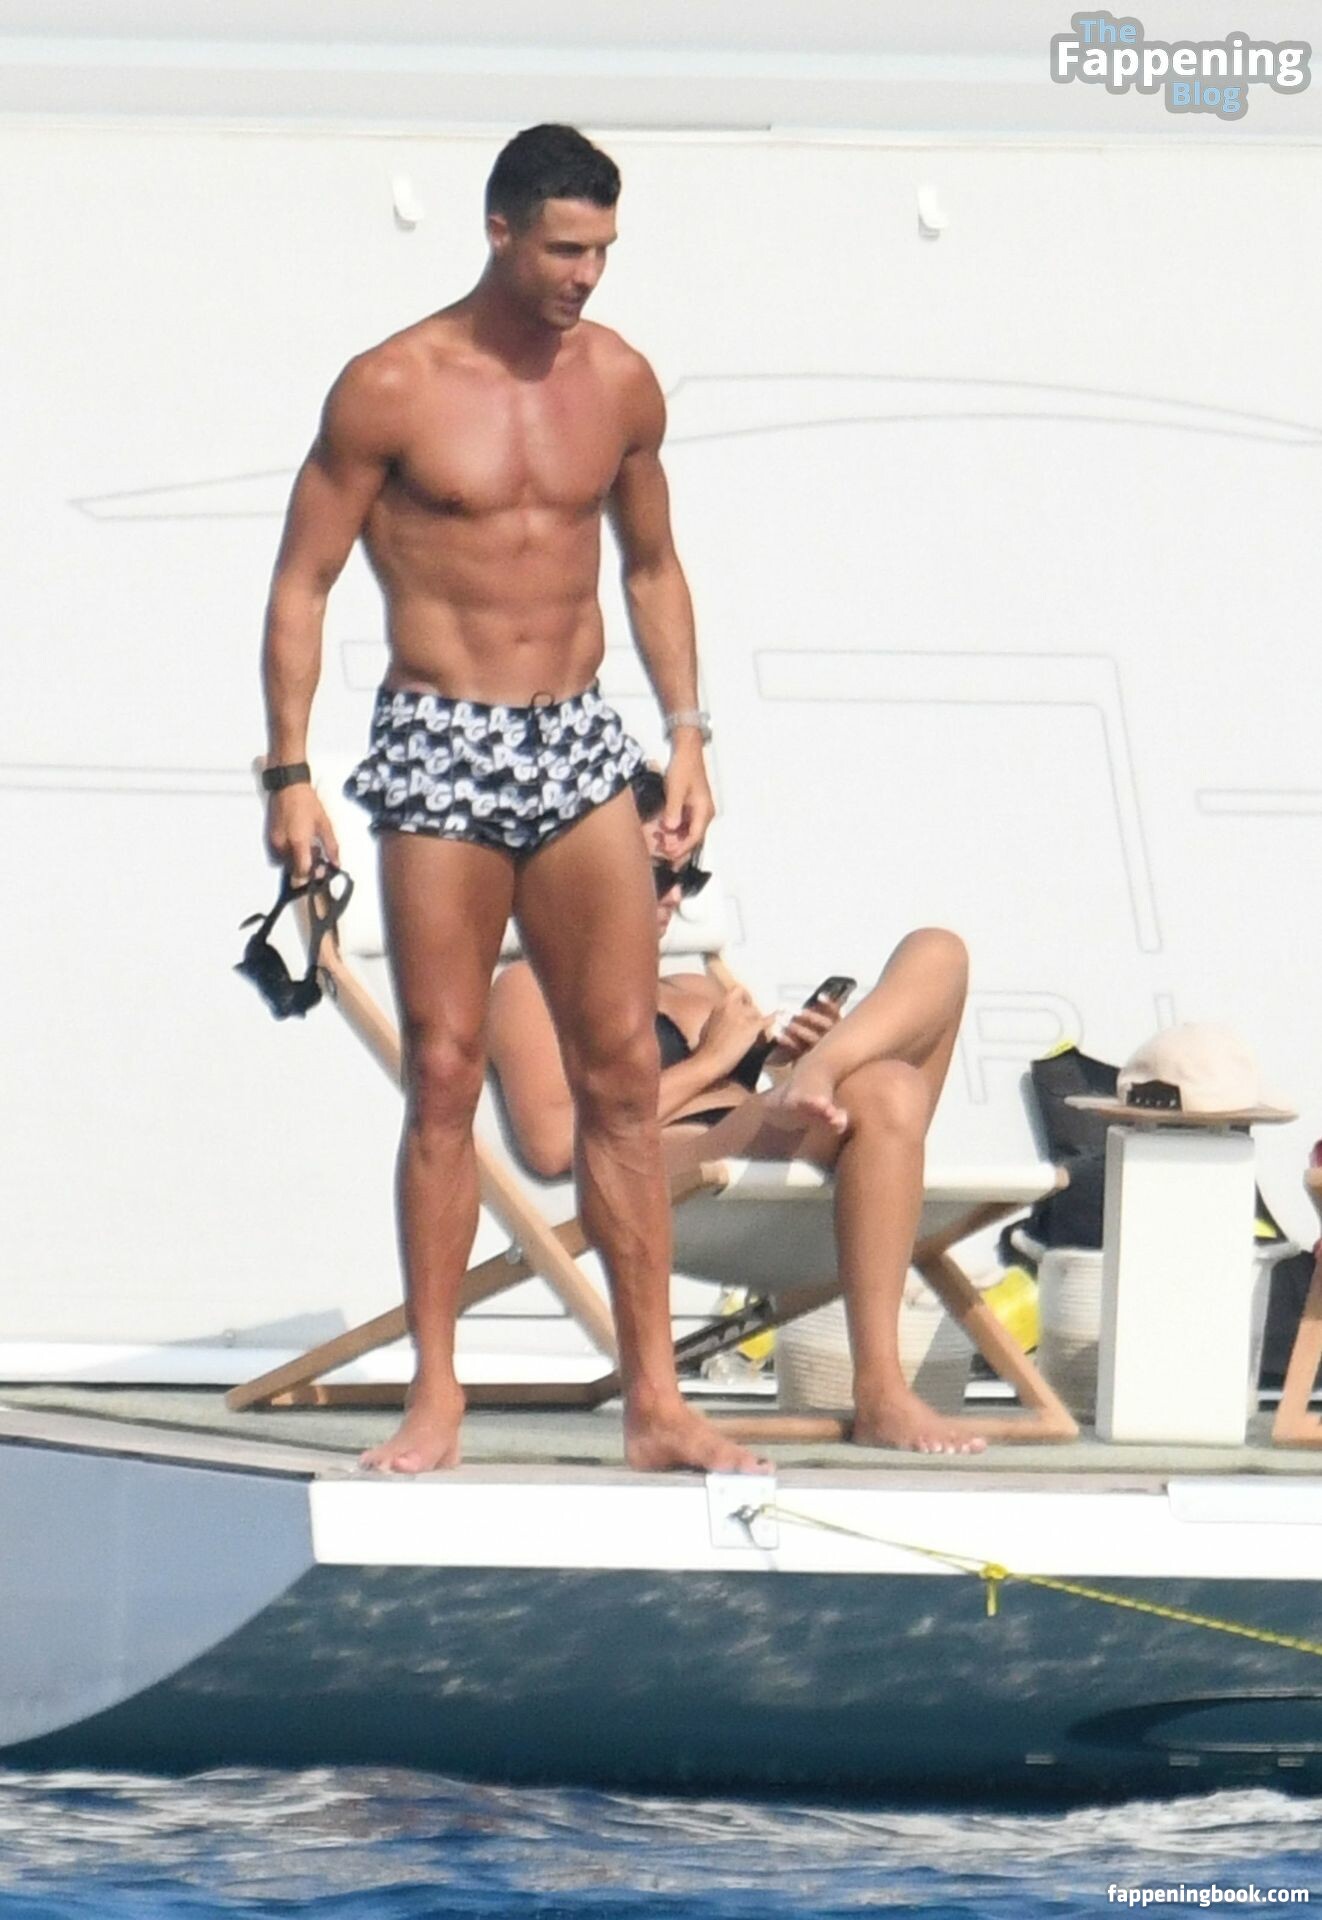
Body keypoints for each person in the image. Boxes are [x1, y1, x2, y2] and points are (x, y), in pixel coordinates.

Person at [258, 124, 764, 1476]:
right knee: (442, 1069)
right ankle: (437, 1396)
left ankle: (655, 1403)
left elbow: (650, 567)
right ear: (499, 232)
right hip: (440, 736)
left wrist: (688, 737)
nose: (584, 276)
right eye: (562, 249)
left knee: (619, 1072)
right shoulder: (392, 385)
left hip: (578, 738)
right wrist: (289, 770)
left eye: (601, 251)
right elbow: (303, 580)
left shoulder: (618, 381)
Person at [487, 769, 987, 1455]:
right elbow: (551, 1144)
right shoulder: (530, 988)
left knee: (938, 954)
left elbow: (752, 1100)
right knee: (890, 1089)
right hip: (673, 1165)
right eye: (657, 874)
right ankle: (881, 1390)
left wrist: (788, 1060)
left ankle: (827, 1064)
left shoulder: (694, 987)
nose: (674, 897)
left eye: (687, 878)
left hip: (780, 1137)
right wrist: (710, 1062)